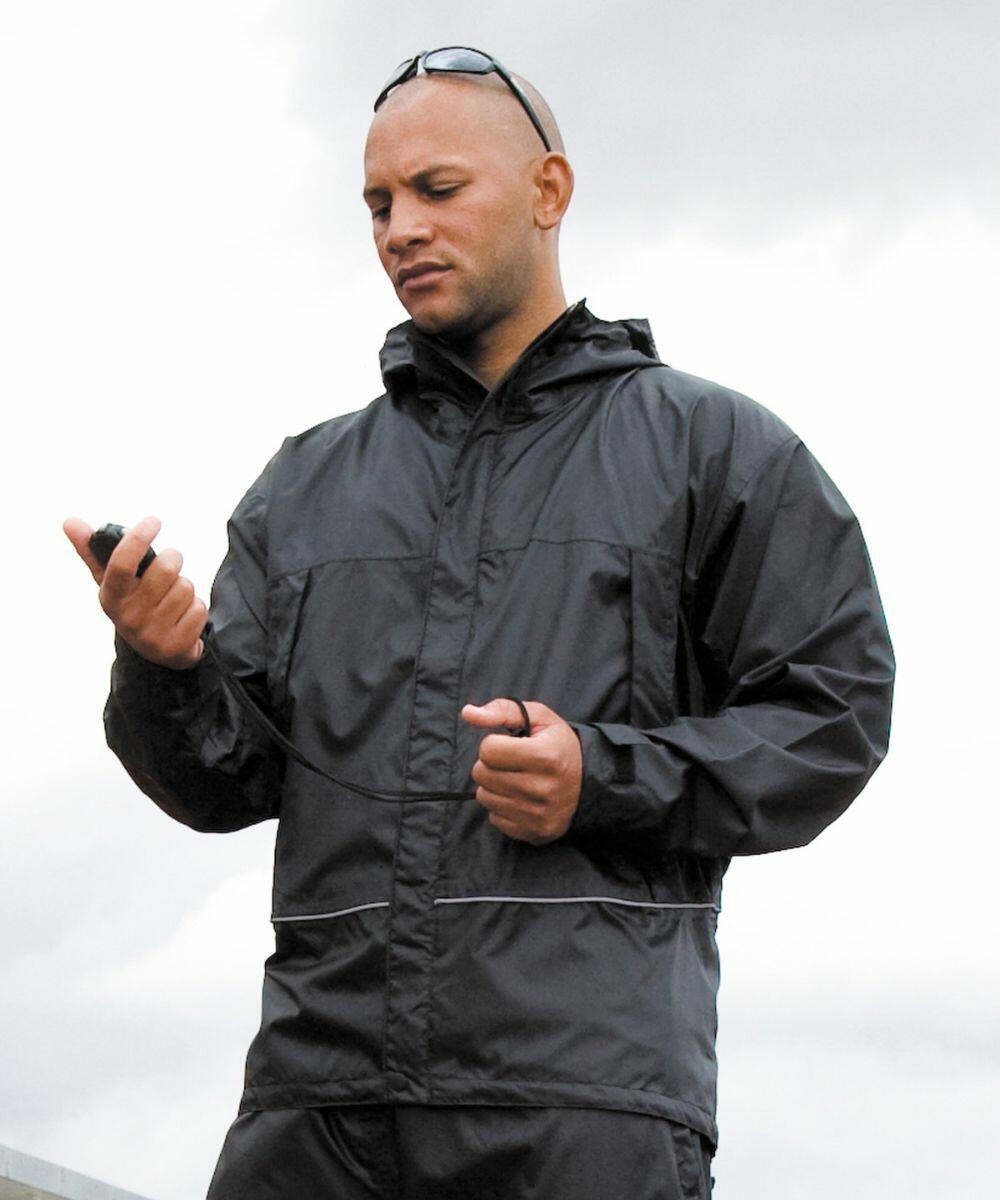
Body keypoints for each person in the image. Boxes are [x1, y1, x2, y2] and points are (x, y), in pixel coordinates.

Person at [64, 46, 895, 1200]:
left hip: (581, 1107)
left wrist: (601, 775)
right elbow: (222, 781)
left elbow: (832, 718)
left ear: (548, 191)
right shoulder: (305, 486)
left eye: (437, 189)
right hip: (316, 1109)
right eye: (378, 203)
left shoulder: (716, 453)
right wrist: (163, 664)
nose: (401, 228)